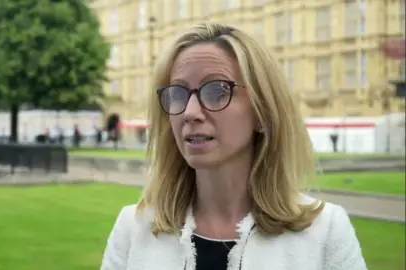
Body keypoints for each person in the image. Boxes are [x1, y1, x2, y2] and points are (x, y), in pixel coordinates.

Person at [100, 24, 367, 270]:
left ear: (262, 112)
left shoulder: (326, 231)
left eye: (217, 91)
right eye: (178, 93)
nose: (190, 113)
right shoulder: (133, 229)